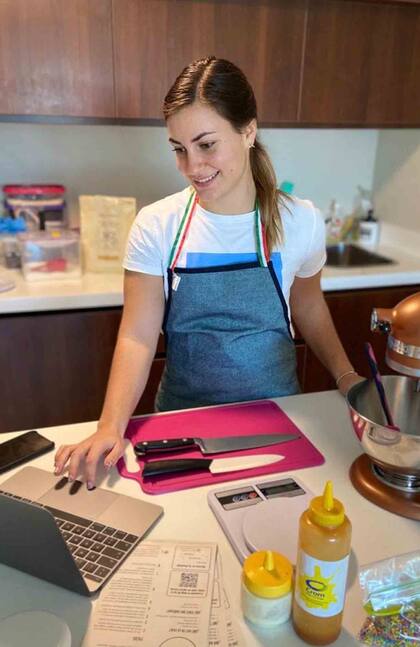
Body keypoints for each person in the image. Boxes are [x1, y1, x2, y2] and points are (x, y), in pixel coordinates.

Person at [54, 56, 361, 487]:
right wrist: (110, 426)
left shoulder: (300, 221)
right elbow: (137, 335)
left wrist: (346, 375)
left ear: (248, 131)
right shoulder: (158, 225)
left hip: (279, 417)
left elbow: (307, 304)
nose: (192, 166)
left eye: (206, 144)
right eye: (179, 149)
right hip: (181, 422)